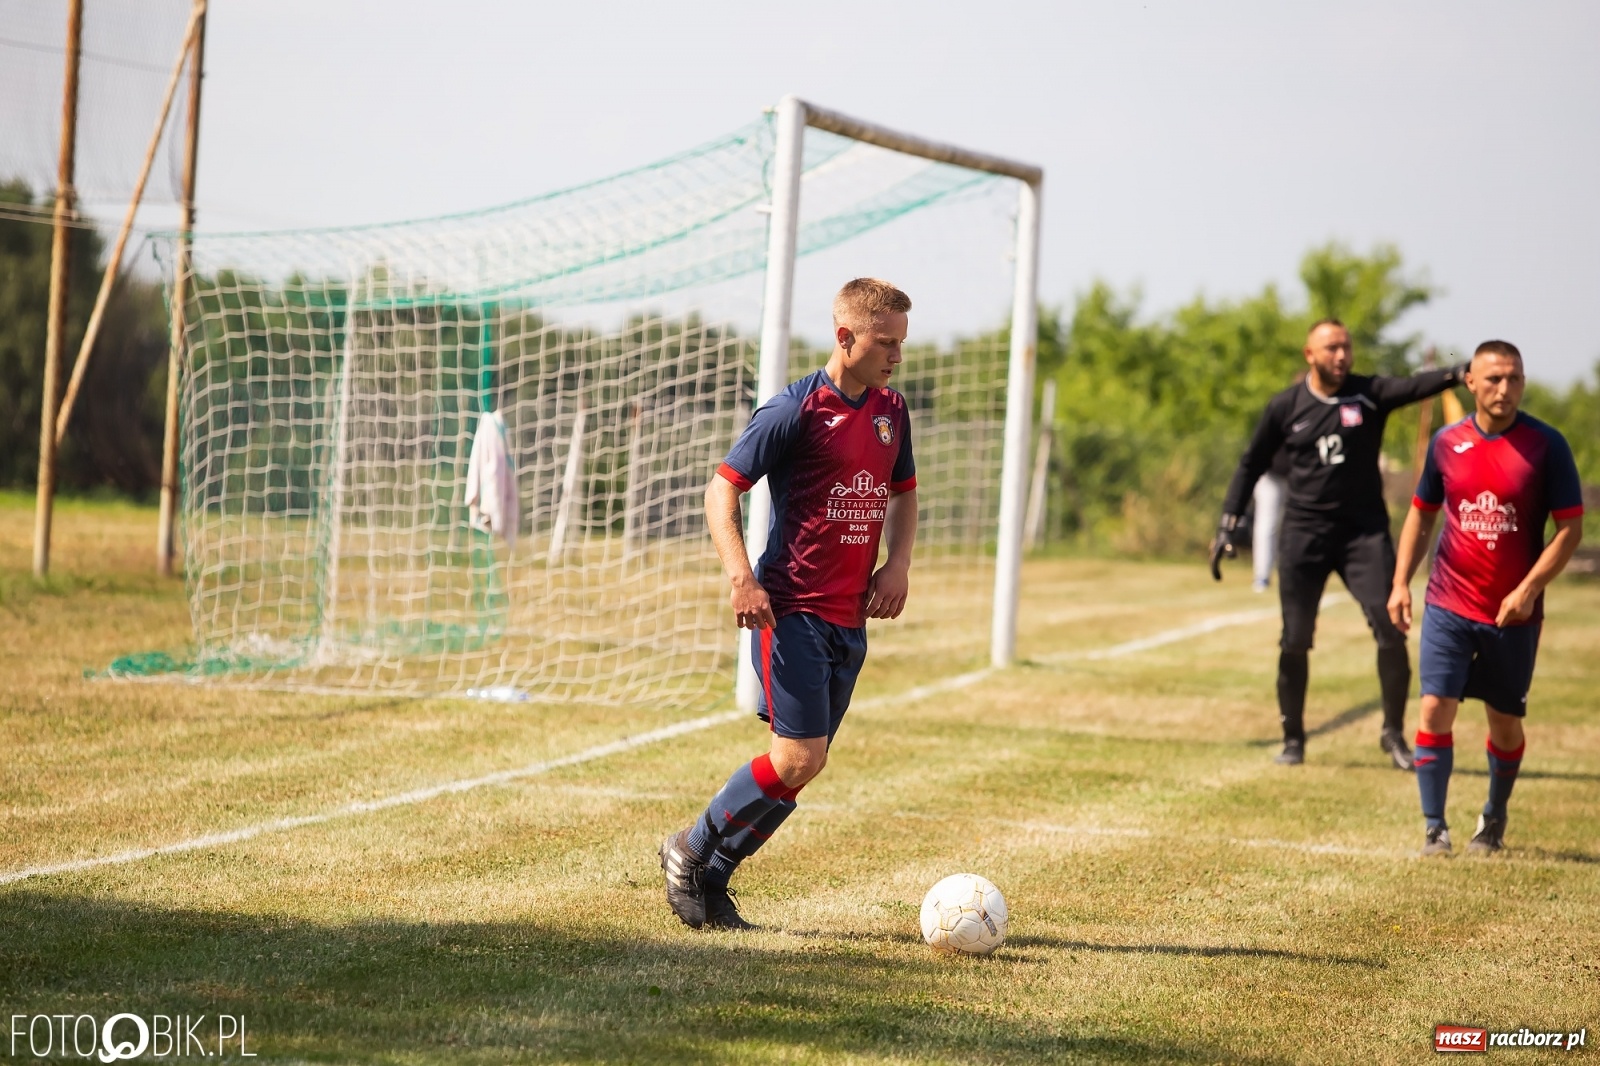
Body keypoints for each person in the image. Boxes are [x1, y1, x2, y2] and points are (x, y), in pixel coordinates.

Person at [659, 278, 919, 929]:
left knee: (803, 768)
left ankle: (712, 882)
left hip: (848, 618)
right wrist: (740, 578)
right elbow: (723, 491)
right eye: (885, 342)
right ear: (845, 336)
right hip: (792, 610)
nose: (895, 356)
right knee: (797, 758)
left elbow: (903, 491)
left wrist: (898, 563)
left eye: (900, 344)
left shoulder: (892, 410)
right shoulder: (793, 410)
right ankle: (690, 846)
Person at [1211, 320, 1467, 767]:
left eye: (1346, 346)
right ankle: (1293, 738)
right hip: (1304, 535)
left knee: (1391, 629)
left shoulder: (1368, 393)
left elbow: (1412, 386)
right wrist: (1228, 523)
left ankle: (1393, 734)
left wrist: (1458, 371)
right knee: (1295, 638)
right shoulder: (1286, 406)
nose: (1341, 355)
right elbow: (1250, 463)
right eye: (1331, 348)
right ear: (1309, 354)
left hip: (1362, 534)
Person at [1387, 340, 1584, 856]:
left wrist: (1528, 589)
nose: (1504, 388)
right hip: (1449, 604)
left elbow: (1570, 529)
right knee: (1434, 709)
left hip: (1513, 614)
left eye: (1514, 378)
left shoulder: (1547, 445)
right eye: (1493, 378)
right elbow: (1422, 513)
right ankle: (1435, 827)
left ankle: (1494, 816)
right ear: (1470, 382)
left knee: (1504, 721)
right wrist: (1400, 580)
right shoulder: (1446, 443)